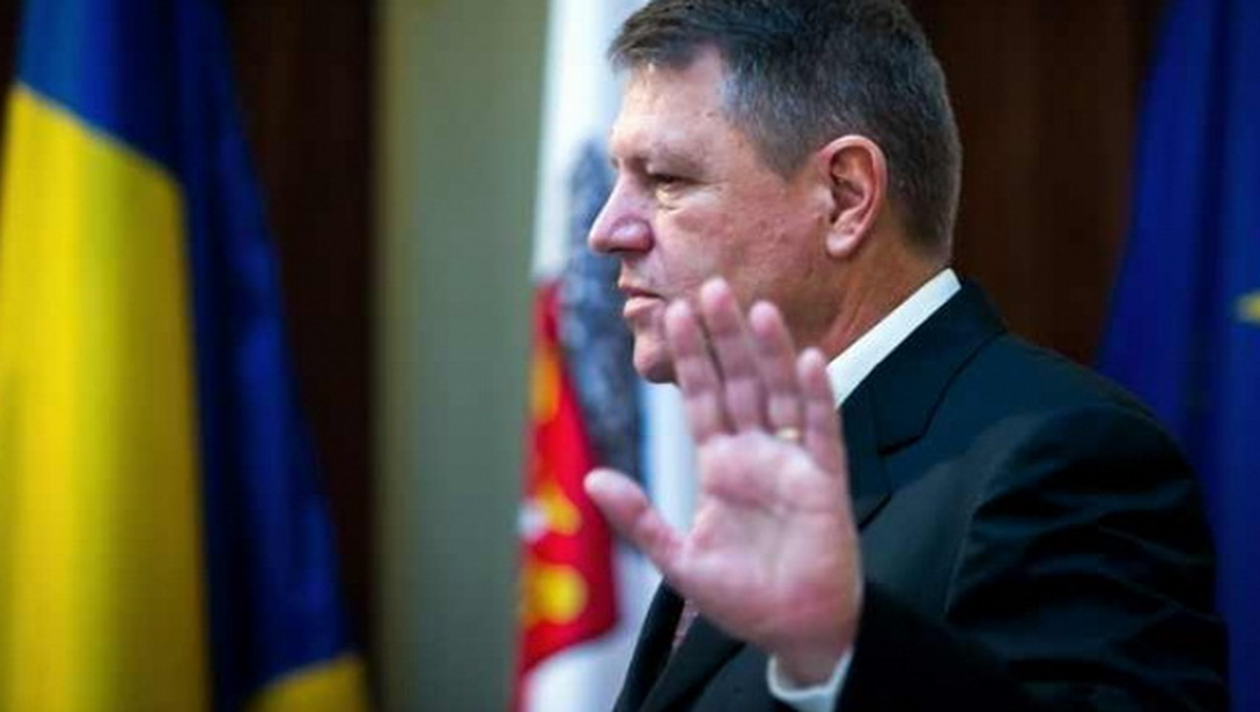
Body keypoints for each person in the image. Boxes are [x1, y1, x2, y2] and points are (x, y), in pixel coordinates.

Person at [580, 0, 1229, 710]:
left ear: (845, 196)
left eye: (666, 180)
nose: (607, 230)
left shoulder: (1068, 455)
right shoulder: (762, 460)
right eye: (619, 178)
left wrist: (841, 651)